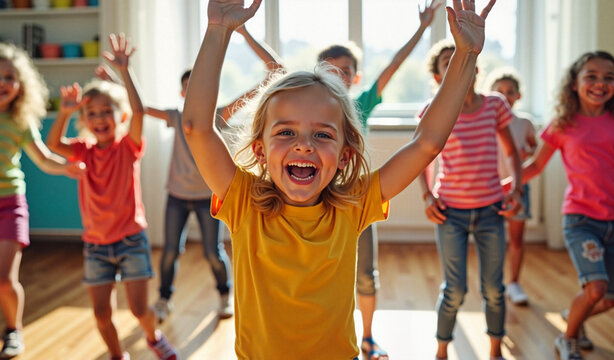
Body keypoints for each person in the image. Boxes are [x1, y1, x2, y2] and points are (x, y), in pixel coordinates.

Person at [183, 0, 495, 358]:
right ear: (259, 150)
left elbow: (427, 143)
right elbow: (196, 128)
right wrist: (218, 30)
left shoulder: (353, 204)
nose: (303, 145)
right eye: (285, 132)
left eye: (322, 135)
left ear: (345, 155)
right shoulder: (242, 200)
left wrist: (465, 55)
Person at [316, 1, 441, 358]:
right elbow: (273, 69)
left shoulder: (362, 103)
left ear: (354, 77)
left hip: (356, 200)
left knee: (365, 275)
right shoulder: (309, 106)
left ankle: (367, 338)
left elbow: (394, 66)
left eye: (345, 70)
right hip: (316, 202)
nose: (338, 75)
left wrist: (421, 29)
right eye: (330, 69)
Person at [46, 34, 179, 360]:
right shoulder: (83, 150)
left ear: (118, 117)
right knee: (102, 314)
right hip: (95, 244)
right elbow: (53, 145)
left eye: (107, 111)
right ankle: (118, 355)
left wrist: (124, 71)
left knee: (137, 309)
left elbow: (138, 111)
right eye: (92, 113)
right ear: (85, 121)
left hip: (131, 239)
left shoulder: (127, 148)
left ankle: (153, 336)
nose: (100, 117)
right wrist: (63, 112)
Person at [144, 24, 282, 323]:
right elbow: (138, 107)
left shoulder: (221, 114)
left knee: (212, 251)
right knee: (169, 251)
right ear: (184, 92)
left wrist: (243, 35)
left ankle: (224, 294)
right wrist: (120, 74)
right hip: (177, 197)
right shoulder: (175, 116)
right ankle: (164, 299)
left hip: (209, 197)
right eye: (188, 86)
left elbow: (273, 74)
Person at [417, 39, 523, 360]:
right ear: (438, 78)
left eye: (463, 61)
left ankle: (494, 350)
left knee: (493, 289)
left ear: (476, 68)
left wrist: (516, 188)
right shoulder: (433, 110)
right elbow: (422, 157)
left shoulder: (495, 105)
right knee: (455, 290)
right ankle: (441, 350)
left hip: (491, 209)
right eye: (447, 64)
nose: (457, 68)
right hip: (451, 212)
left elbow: (512, 151)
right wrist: (427, 196)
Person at [0, 43, 85, 359]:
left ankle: (13, 331)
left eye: (9, 77)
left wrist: (66, 167)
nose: (1, 82)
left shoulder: (20, 122)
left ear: (20, 86)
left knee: (3, 279)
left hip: (8, 204)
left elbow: (43, 159)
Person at [516, 51, 614, 360]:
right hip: (581, 218)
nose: (600, 83)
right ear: (574, 83)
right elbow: (534, 166)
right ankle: (568, 338)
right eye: (592, 76)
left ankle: (575, 316)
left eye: (609, 77)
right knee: (596, 289)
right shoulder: (563, 124)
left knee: (608, 298)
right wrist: (504, 187)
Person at [484, 67, 537, 306]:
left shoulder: (524, 123)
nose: (505, 96)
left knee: (516, 239)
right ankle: (492, 284)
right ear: (490, 94)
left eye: (510, 92)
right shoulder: (484, 121)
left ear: (518, 96)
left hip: (518, 188)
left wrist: (529, 150)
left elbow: (534, 150)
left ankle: (514, 282)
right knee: (491, 239)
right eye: (500, 91)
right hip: (490, 188)